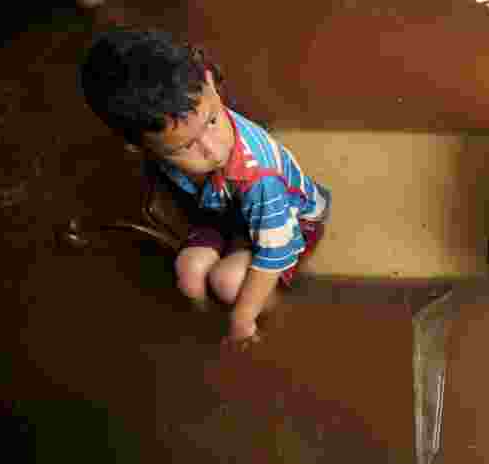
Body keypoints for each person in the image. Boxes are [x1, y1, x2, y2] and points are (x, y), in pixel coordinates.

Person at [78, 27, 331, 348]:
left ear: (209, 80)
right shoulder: (168, 126)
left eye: (212, 121)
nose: (213, 151)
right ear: (137, 146)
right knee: (189, 273)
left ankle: (267, 321)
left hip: (288, 222)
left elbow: (275, 252)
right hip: (222, 210)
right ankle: (203, 327)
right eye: (185, 146)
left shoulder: (260, 176)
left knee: (227, 282)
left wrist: (243, 320)